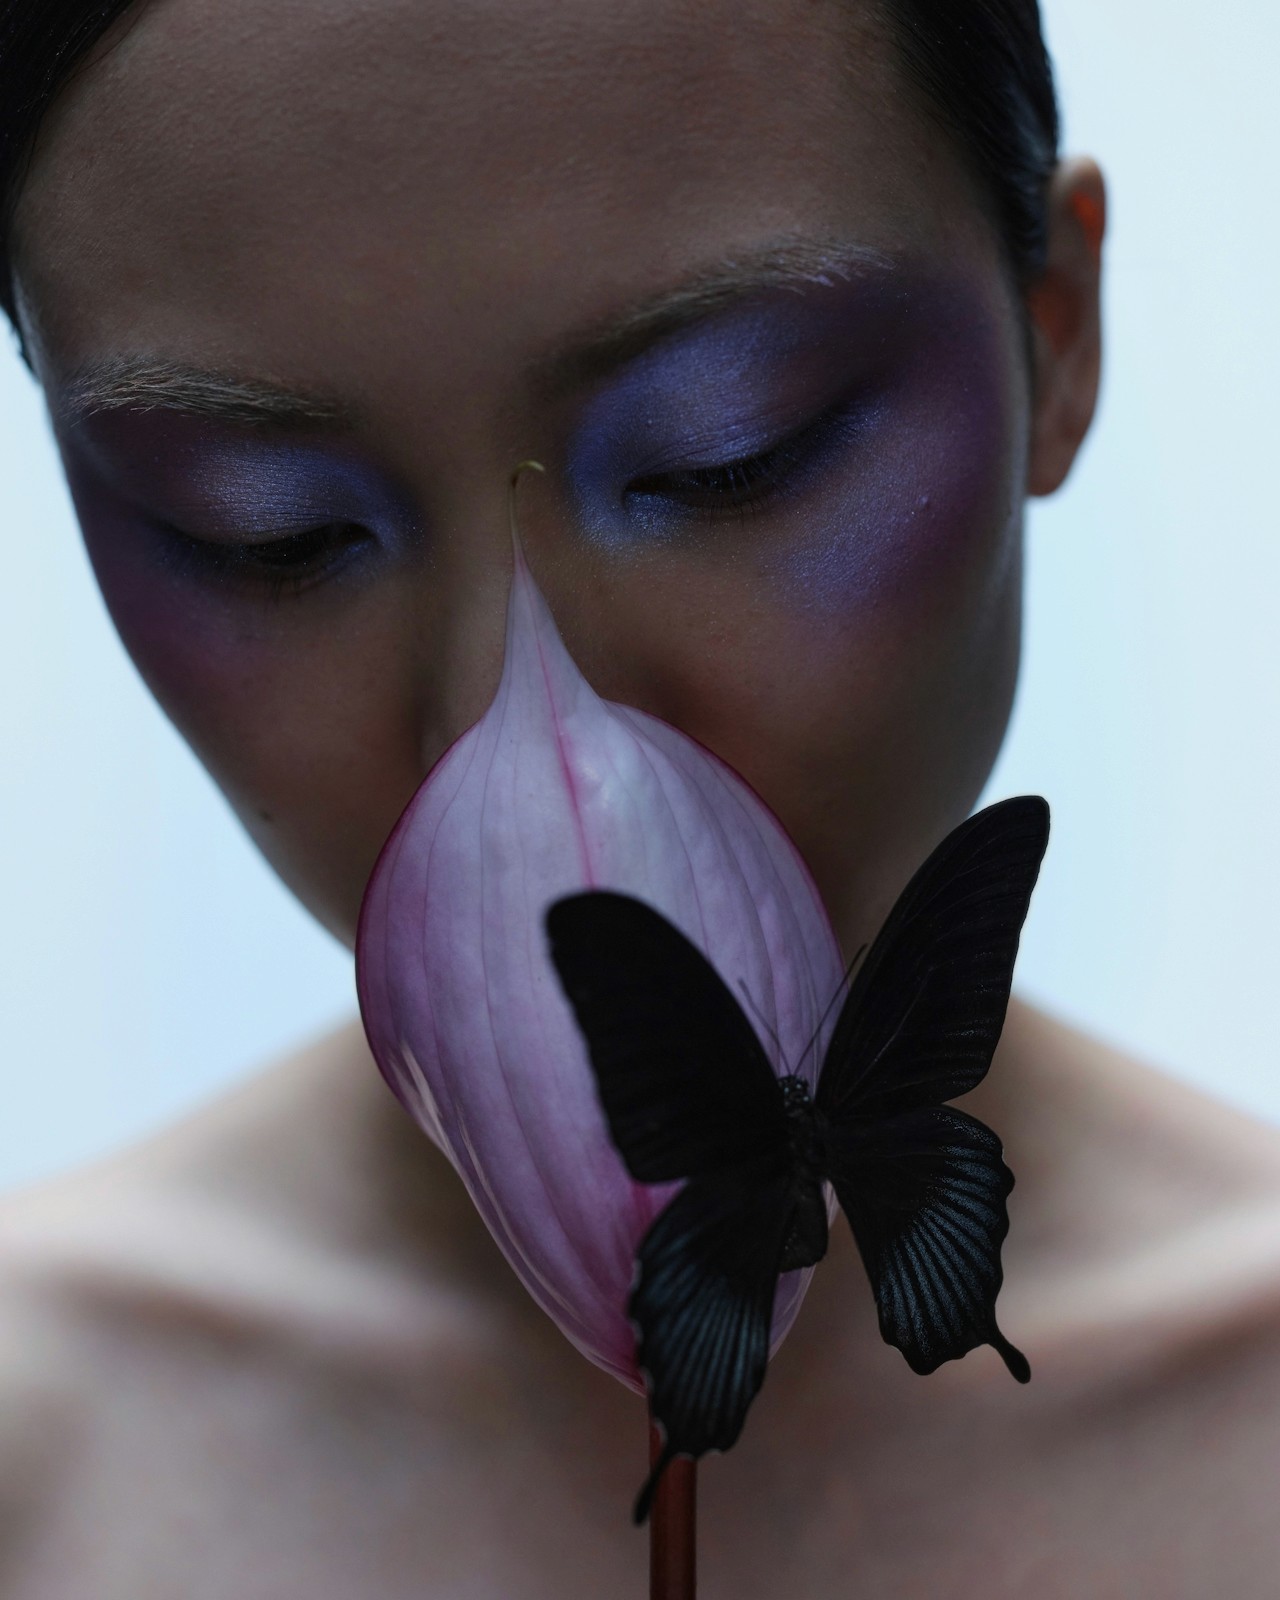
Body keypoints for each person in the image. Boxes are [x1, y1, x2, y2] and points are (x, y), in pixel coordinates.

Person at [1, 0, 1278, 1593]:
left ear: (1057, 325)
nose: (529, 755)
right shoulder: (34, 1466)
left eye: (731, 452)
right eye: (267, 532)